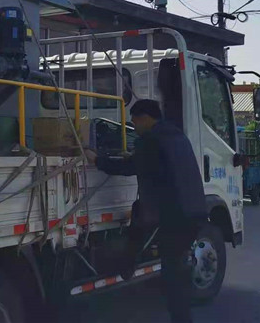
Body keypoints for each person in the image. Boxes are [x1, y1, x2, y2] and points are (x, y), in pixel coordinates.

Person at [85, 99, 207, 323]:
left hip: (174, 217)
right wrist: (135, 157)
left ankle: (180, 317)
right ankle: (128, 264)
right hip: (193, 211)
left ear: (144, 118)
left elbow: (128, 168)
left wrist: (97, 160)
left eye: (134, 121)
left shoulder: (151, 139)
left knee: (172, 275)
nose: (134, 126)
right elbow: (157, 164)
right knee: (141, 218)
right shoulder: (176, 135)